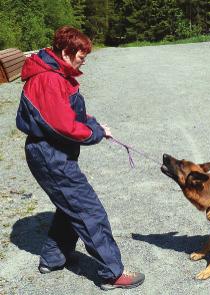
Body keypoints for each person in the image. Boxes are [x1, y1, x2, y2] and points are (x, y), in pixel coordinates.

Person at [16, 26, 144, 290]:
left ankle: (52, 259)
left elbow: (69, 113)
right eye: (81, 56)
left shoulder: (57, 74)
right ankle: (112, 273)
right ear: (66, 52)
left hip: (53, 153)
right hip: (49, 155)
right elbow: (63, 125)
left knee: (70, 206)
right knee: (88, 211)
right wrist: (94, 133)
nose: (84, 60)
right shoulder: (48, 79)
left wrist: (95, 124)